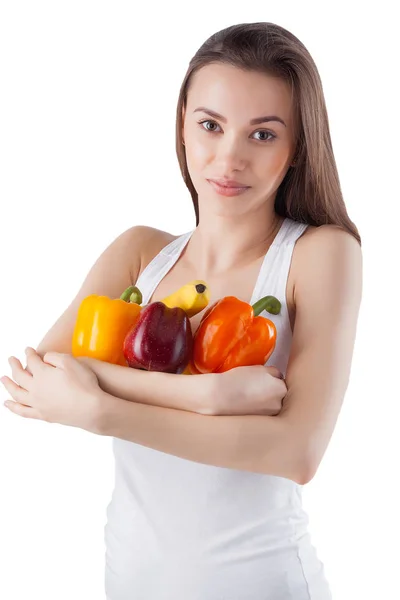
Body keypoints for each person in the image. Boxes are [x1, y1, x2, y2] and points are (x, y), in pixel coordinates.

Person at [2, 21, 362, 600]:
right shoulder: (138, 253)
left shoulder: (319, 255)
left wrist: (101, 411)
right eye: (211, 125)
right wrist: (204, 396)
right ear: (183, 127)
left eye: (263, 135)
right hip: (128, 583)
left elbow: (296, 453)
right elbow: (33, 382)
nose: (229, 158)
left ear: (299, 147)